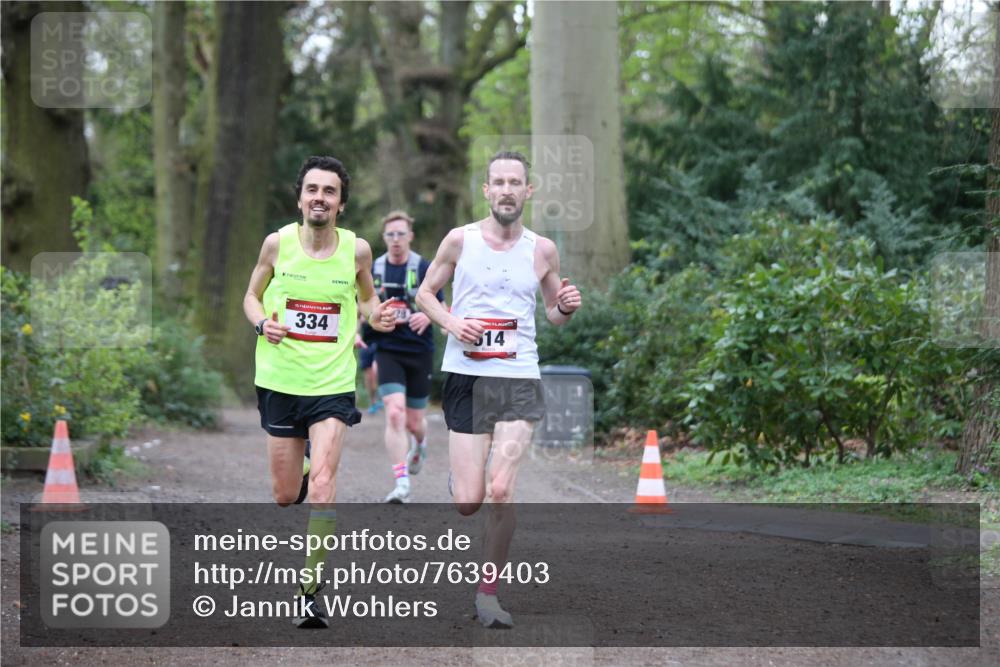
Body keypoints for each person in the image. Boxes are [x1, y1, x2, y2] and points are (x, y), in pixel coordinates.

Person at [416, 151, 582, 628]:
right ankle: (459, 480)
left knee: (501, 488)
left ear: (528, 191)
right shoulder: (459, 240)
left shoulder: (542, 249)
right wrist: (451, 322)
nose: (507, 189)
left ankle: (487, 595)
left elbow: (553, 311)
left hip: (518, 376)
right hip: (467, 376)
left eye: (516, 182)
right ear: (486, 191)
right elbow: (425, 293)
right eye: (499, 182)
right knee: (469, 501)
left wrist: (566, 306)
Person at [244, 155, 395, 628]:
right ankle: (302, 467)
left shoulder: (357, 251)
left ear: (341, 204)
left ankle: (309, 592)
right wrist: (262, 323)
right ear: (299, 198)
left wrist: (376, 315)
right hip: (280, 381)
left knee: (326, 486)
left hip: (331, 384)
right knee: (285, 495)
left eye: (329, 191)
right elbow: (250, 296)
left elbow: (368, 298)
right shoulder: (276, 244)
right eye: (312, 189)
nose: (320, 198)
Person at [364, 210, 445, 503]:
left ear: (410, 236)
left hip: (419, 352)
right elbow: (361, 304)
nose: (395, 240)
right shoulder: (374, 269)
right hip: (387, 350)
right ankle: (402, 483)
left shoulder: (424, 267)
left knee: (414, 422)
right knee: (394, 413)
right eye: (390, 234)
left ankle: (421, 443)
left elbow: (443, 307)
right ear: (384, 237)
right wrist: (361, 330)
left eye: (401, 234)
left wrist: (427, 316)